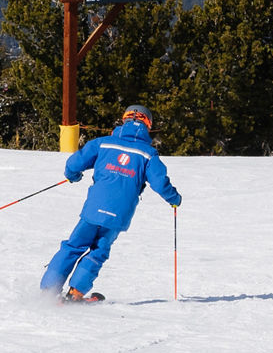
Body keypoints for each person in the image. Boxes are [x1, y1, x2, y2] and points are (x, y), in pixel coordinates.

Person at [40, 105, 184, 303]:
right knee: (99, 251)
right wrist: (174, 199)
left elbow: (74, 163)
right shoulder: (148, 154)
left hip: (92, 210)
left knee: (73, 246)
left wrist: (73, 176)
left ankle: (48, 290)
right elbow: (160, 183)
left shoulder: (103, 143)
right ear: (148, 125)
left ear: (123, 120)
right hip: (119, 215)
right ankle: (75, 293)